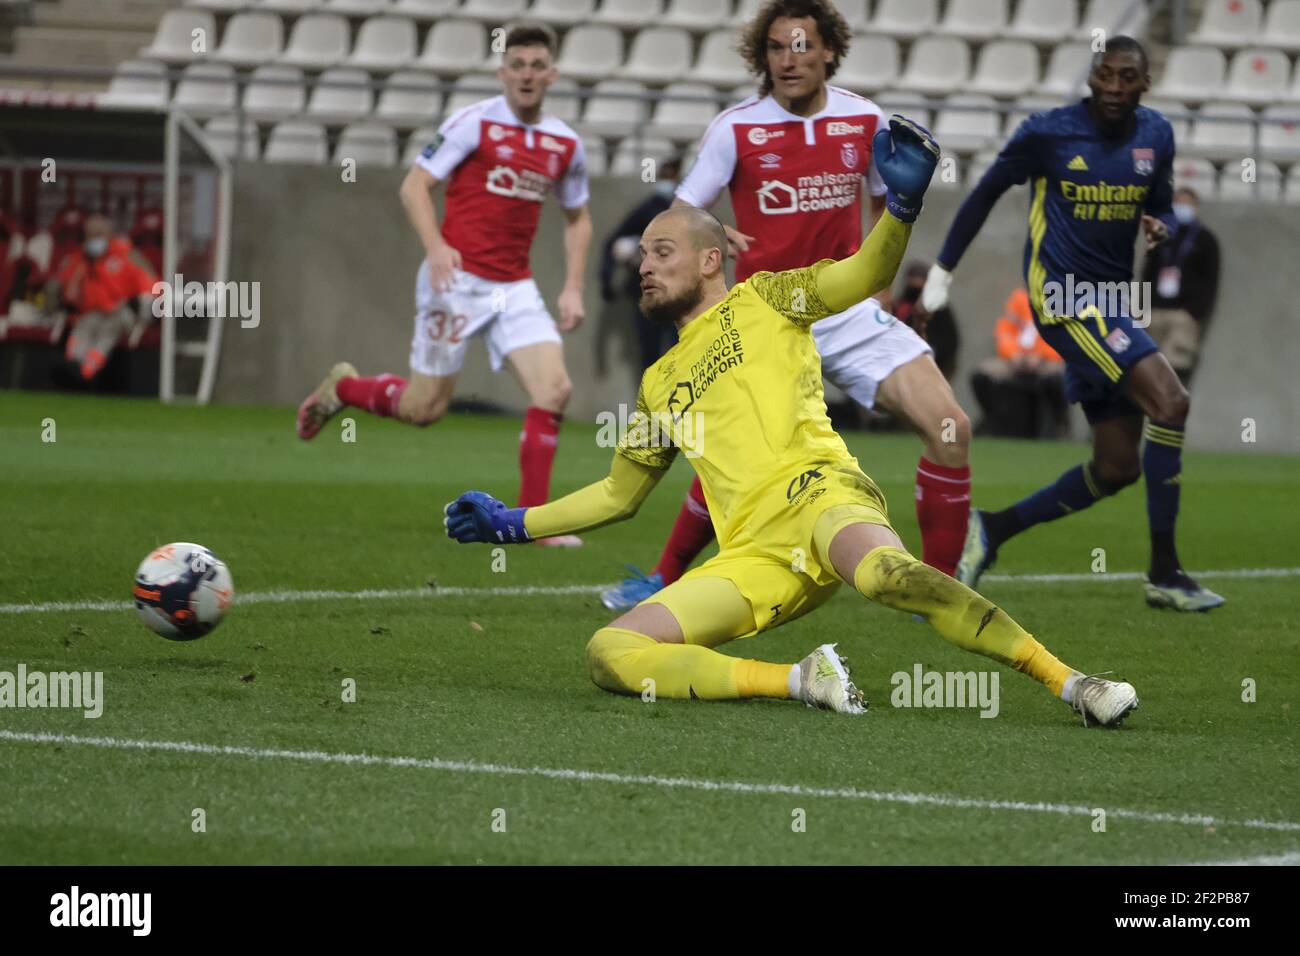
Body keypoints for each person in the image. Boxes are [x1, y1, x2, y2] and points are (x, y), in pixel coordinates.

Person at [444, 119, 1138, 727]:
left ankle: (1073, 682)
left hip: (822, 498)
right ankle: (803, 679)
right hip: (750, 558)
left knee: (886, 576)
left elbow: (866, 272)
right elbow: (618, 496)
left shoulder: (770, 297)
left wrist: (900, 208)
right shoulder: (657, 384)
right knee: (611, 653)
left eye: (662, 252)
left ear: (711, 259)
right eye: (643, 257)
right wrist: (514, 522)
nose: (644, 267)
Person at [601, 0, 974, 612]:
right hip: (765, 318)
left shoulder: (864, 119)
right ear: (762, 56)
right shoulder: (736, 128)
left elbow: (888, 199)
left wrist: (877, 285)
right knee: (735, 461)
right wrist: (715, 227)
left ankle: (940, 588)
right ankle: (663, 576)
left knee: (951, 428)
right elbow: (681, 211)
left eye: (802, 46)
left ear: (830, 50)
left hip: (844, 310)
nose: (788, 59)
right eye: (777, 47)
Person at [923, 36, 1223, 612]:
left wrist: (1158, 221)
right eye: (1103, 75)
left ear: (1144, 84)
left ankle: (990, 529)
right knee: (1172, 401)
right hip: (1061, 296)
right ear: (1091, 78)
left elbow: (1158, 200)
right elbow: (985, 192)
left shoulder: (1156, 135)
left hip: (1115, 299)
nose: (1112, 87)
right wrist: (943, 268)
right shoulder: (1047, 132)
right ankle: (1165, 571)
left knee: (1116, 467)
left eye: (1125, 77)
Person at [296, 22, 593, 547]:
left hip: (514, 287)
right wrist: (436, 248)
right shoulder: (473, 123)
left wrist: (572, 286)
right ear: (503, 73)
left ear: (552, 73)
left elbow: (577, 218)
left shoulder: (565, 143)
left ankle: (534, 523)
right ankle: (343, 388)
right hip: (454, 280)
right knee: (424, 408)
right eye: (516, 66)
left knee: (556, 388)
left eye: (536, 66)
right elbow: (415, 187)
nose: (526, 75)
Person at [44, 213, 157, 386]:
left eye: (99, 235)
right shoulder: (80, 257)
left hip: (124, 311)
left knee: (109, 328)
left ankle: (87, 372)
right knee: (84, 326)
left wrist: (145, 306)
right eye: (91, 235)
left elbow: (151, 283)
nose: (94, 239)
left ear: (109, 234)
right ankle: (73, 367)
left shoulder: (127, 254)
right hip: (93, 312)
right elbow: (60, 282)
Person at [597, 156, 683, 376]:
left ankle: (677, 406)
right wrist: (607, 279)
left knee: (681, 352)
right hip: (649, 294)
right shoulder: (648, 210)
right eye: (665, 176)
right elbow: (614, 242)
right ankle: (652, 406)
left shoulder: (685, 214)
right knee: (650, 355)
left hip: (678, 295)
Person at [1139, 186, 1219, 386]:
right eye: (1178, 203)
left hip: (1183, 315)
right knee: (1151, 366)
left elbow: (1210, 280)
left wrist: (1194, 312)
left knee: (1176, 365)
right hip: (1156, 313)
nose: (1181, 208)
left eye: (1186, 204)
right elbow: (1147, 274)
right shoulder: (1162, 238)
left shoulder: (1205, 240)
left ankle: (1172, 412)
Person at [969, 288, 1066, 438]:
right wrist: (1014, 354)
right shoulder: (1019, 297)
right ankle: (990, 418)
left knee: (1055, 378)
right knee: (982, 375)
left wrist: (1040, 355)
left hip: (1047, 359)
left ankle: (1058, 422)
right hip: (1015, 359)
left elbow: (1061, 335)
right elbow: (1005, 333)